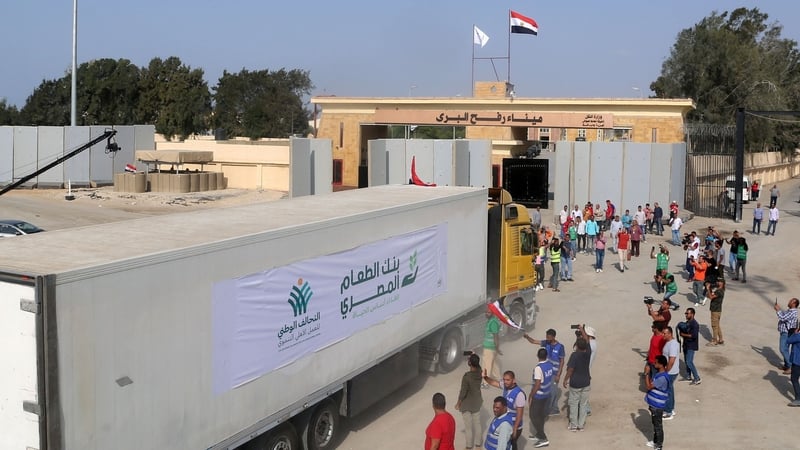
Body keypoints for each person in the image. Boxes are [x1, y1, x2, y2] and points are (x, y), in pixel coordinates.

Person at [523, 330, 566, 416]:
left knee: (553, 391)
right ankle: (549, 408)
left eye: (549, 337)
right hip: (547, 371)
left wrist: (558, 374)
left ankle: (554, 409)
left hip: (554, 373)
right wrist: (527, 337)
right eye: (546, 337)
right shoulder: (546, 343)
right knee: (547, 390)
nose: (547, 339)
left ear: (554, 337)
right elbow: (534, 341)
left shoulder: (560, 347)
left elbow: (562, 361)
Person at [482, 371, 526, 450]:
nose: (505, 382)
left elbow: (519, 414)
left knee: (511, 445)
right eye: (504, 379)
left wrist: (515, 429)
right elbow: (493, 383)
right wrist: (485, 377)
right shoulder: (506, 386)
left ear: (514, 380)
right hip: (505, 421)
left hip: (513, 425)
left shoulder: (519, 394)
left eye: (508, 380)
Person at [563, 336, 591, 431]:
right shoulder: (588, 353)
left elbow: (570, 369)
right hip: (586, 383)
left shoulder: (574, 355)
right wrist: (582, 329)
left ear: (577, 346)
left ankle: (573, 425)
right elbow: (588, 341)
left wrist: (565, 379)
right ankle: (581, 425)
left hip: (575, 383)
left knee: (574, 404)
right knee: (583, 404)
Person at [455, 354, 483, 450]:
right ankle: (478, 445)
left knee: (468, 427)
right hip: (477, 402)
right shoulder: (480, 372)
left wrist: (458, 402)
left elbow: (463, 391)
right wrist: (472, 358)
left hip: (467, 403)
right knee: (477, 424)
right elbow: (477, 365)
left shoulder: (467, 377)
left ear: (470, 363)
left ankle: (468, 446)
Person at [527, 348, 554, 448]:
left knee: (533, 416)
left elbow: (537, 384)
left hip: (539, 395)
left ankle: (543, 438)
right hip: (546, 393)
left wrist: (531, 395)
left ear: (537, 356)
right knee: (540, 415)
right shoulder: (550, 365)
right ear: (546, 356)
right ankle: (538, 434)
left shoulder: (538, 368)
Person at [645, 355, 670, 450]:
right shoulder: (659, 374)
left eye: (656, 363)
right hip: (654, 405)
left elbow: (649, 386)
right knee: (655, 424)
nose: (654, 364)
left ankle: (659, 446)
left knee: (658, 426)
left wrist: (647, 374)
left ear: (661, 364)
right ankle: (655, 442)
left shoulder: (662, 378)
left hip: (657, 407)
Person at [774, 298, 799, 375]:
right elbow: (784, 315)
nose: (789, 302)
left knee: (783, 349)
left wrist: (778, 310)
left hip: (786, 333)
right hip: (785, 332)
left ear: (794, 304)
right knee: (786, 349)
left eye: (791, 301)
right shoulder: (790, 311)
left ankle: (790, 367)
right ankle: (786, 365)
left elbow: (782, 317)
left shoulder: (793, 312)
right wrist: (779, 310)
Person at [661, 326, 681, 419]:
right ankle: (670, 409)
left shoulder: (672, 345)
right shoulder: (669, 342)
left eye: (664, 333)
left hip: (670, 372)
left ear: (670, 333)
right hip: (671, 371)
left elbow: (672, 360)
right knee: (670, 391)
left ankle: (668, 412)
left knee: (667, 392)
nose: (663, 335)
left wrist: (666, 372)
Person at [679, 308, 701, 384]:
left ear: (692, 314)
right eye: (686, 313)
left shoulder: (695, 324)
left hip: (691, 346)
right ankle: (688, 376)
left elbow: (694, 335)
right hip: (686, 344)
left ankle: (697, 378)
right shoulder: (688, 323)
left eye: (687, 313)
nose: (686, 315)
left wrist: (683, 334)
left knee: (689, 362)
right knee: (686, 361)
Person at [482, 306, 502, 385]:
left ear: (493, 313)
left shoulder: (493, 322)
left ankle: (485, 382)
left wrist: (497, 348)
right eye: (486, 312)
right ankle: (499, 379)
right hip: (492, 347)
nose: (487, 314)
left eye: (489, 312)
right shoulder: (491, 321)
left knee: (486, 365)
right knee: (494, 364)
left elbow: (495, 336)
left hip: (489, 347)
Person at [706, 279, 725, 347]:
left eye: (719, 281)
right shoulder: (720, 290)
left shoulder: (719, 291)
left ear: (722, 283)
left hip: (715, 310)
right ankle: (720, 339)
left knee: (714, 326)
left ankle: (714, 340)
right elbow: (710, 296)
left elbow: (710, 297)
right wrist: (709, 291)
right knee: (717, 325)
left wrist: (708, 289)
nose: (717, 282)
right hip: (718, 310)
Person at [785, 328, 800, 407]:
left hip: (797, 362)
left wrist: (795, 333)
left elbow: (788, 341)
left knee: (794, 379)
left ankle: (798, 399)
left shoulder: (798, 336)